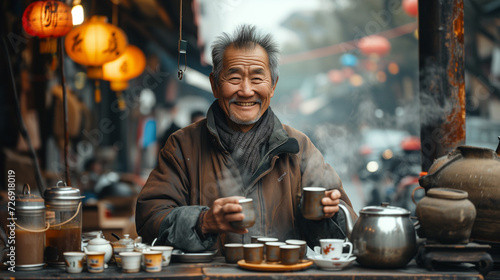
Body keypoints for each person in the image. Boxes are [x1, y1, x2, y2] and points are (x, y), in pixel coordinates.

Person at [136, 24, 357, 253]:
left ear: (273, 86)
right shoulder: (183, 146)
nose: (246, 90)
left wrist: (328, 215)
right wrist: (202, 222)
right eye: (234, 77)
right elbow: (149, 218)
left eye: (257, 78)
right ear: (214, 85)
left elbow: (348, 231)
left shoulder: (298, 147)